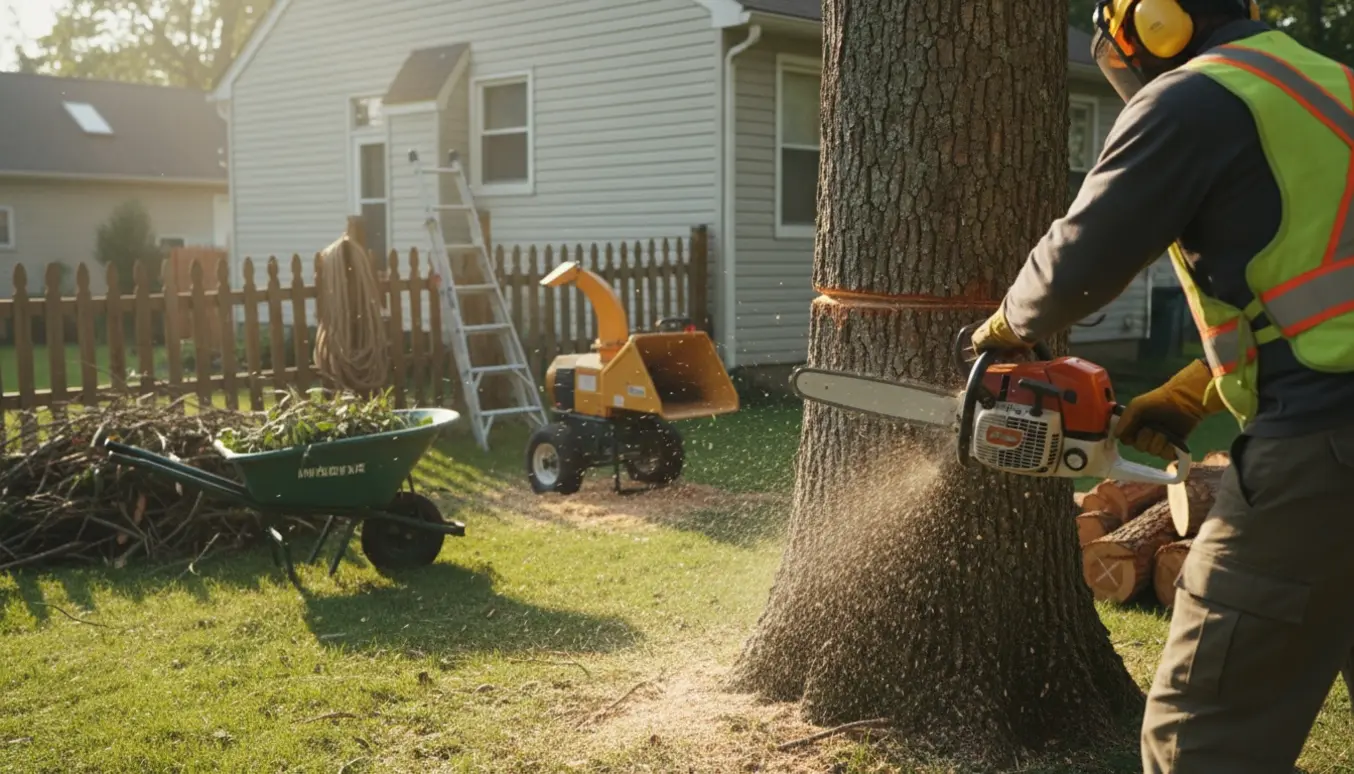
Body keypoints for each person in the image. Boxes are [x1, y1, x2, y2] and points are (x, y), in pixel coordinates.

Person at [969, 0, 1354, 771]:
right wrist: (1192, 391)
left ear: (1156, 23)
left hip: (1323, 455)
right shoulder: (1333, 86)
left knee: (1199, 739)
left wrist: (1005, 327)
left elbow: (1079, 260)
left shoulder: (1198, 95)